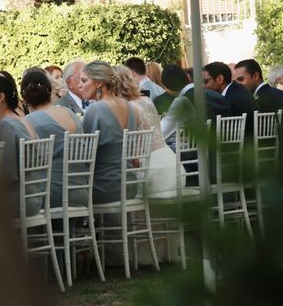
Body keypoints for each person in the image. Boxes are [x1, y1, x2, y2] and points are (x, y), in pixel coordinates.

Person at [0, 72, 41, 216]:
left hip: (17, 201)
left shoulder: (7, 125)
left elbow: (7, 174)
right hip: (31, 198)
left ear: (0, 97)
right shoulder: (16, 121)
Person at [22, 69, 87, 209]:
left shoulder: (29, 121)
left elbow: (28, 163)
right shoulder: (70, 113)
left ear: (25, 98)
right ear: (50, 92)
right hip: (82, 190)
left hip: (53, 194)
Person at [114, 65, 180, 194]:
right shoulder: (147, 100)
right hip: (173, 165)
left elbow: (135, 155)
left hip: (154, 173)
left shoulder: (127, 108)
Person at [80, 61, 139, 204]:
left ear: (99, 83)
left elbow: (84, 157)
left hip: (105, 188)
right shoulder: (129, 107)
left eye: (84, 80)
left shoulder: (95, 110)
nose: (79, 86)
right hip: (131, 185)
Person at [209, 61, 256, 135]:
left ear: (220, 79)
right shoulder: (238, 89)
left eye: (206, 81)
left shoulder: (230, 99)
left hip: (241, 141)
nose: (203, 86)